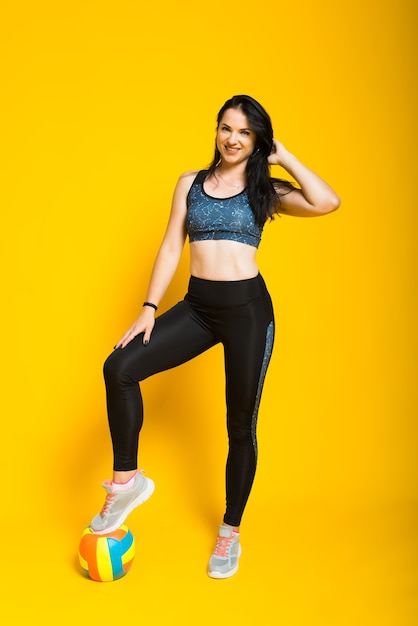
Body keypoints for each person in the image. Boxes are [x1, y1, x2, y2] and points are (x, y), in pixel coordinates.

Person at [89, 95, 340, 579]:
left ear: (257, 140)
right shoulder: (191, 184)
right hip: (198, 309)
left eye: (245, 132)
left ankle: (230, 532)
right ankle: (127, 483)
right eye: (227, 128)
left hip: (249, 313)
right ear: (217, 130)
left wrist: (283, 156)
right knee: (118, 368)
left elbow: (327, 202)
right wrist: (148, 309)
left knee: (240, 426)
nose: (232, 138)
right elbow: (169, 246)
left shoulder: (266, 190)